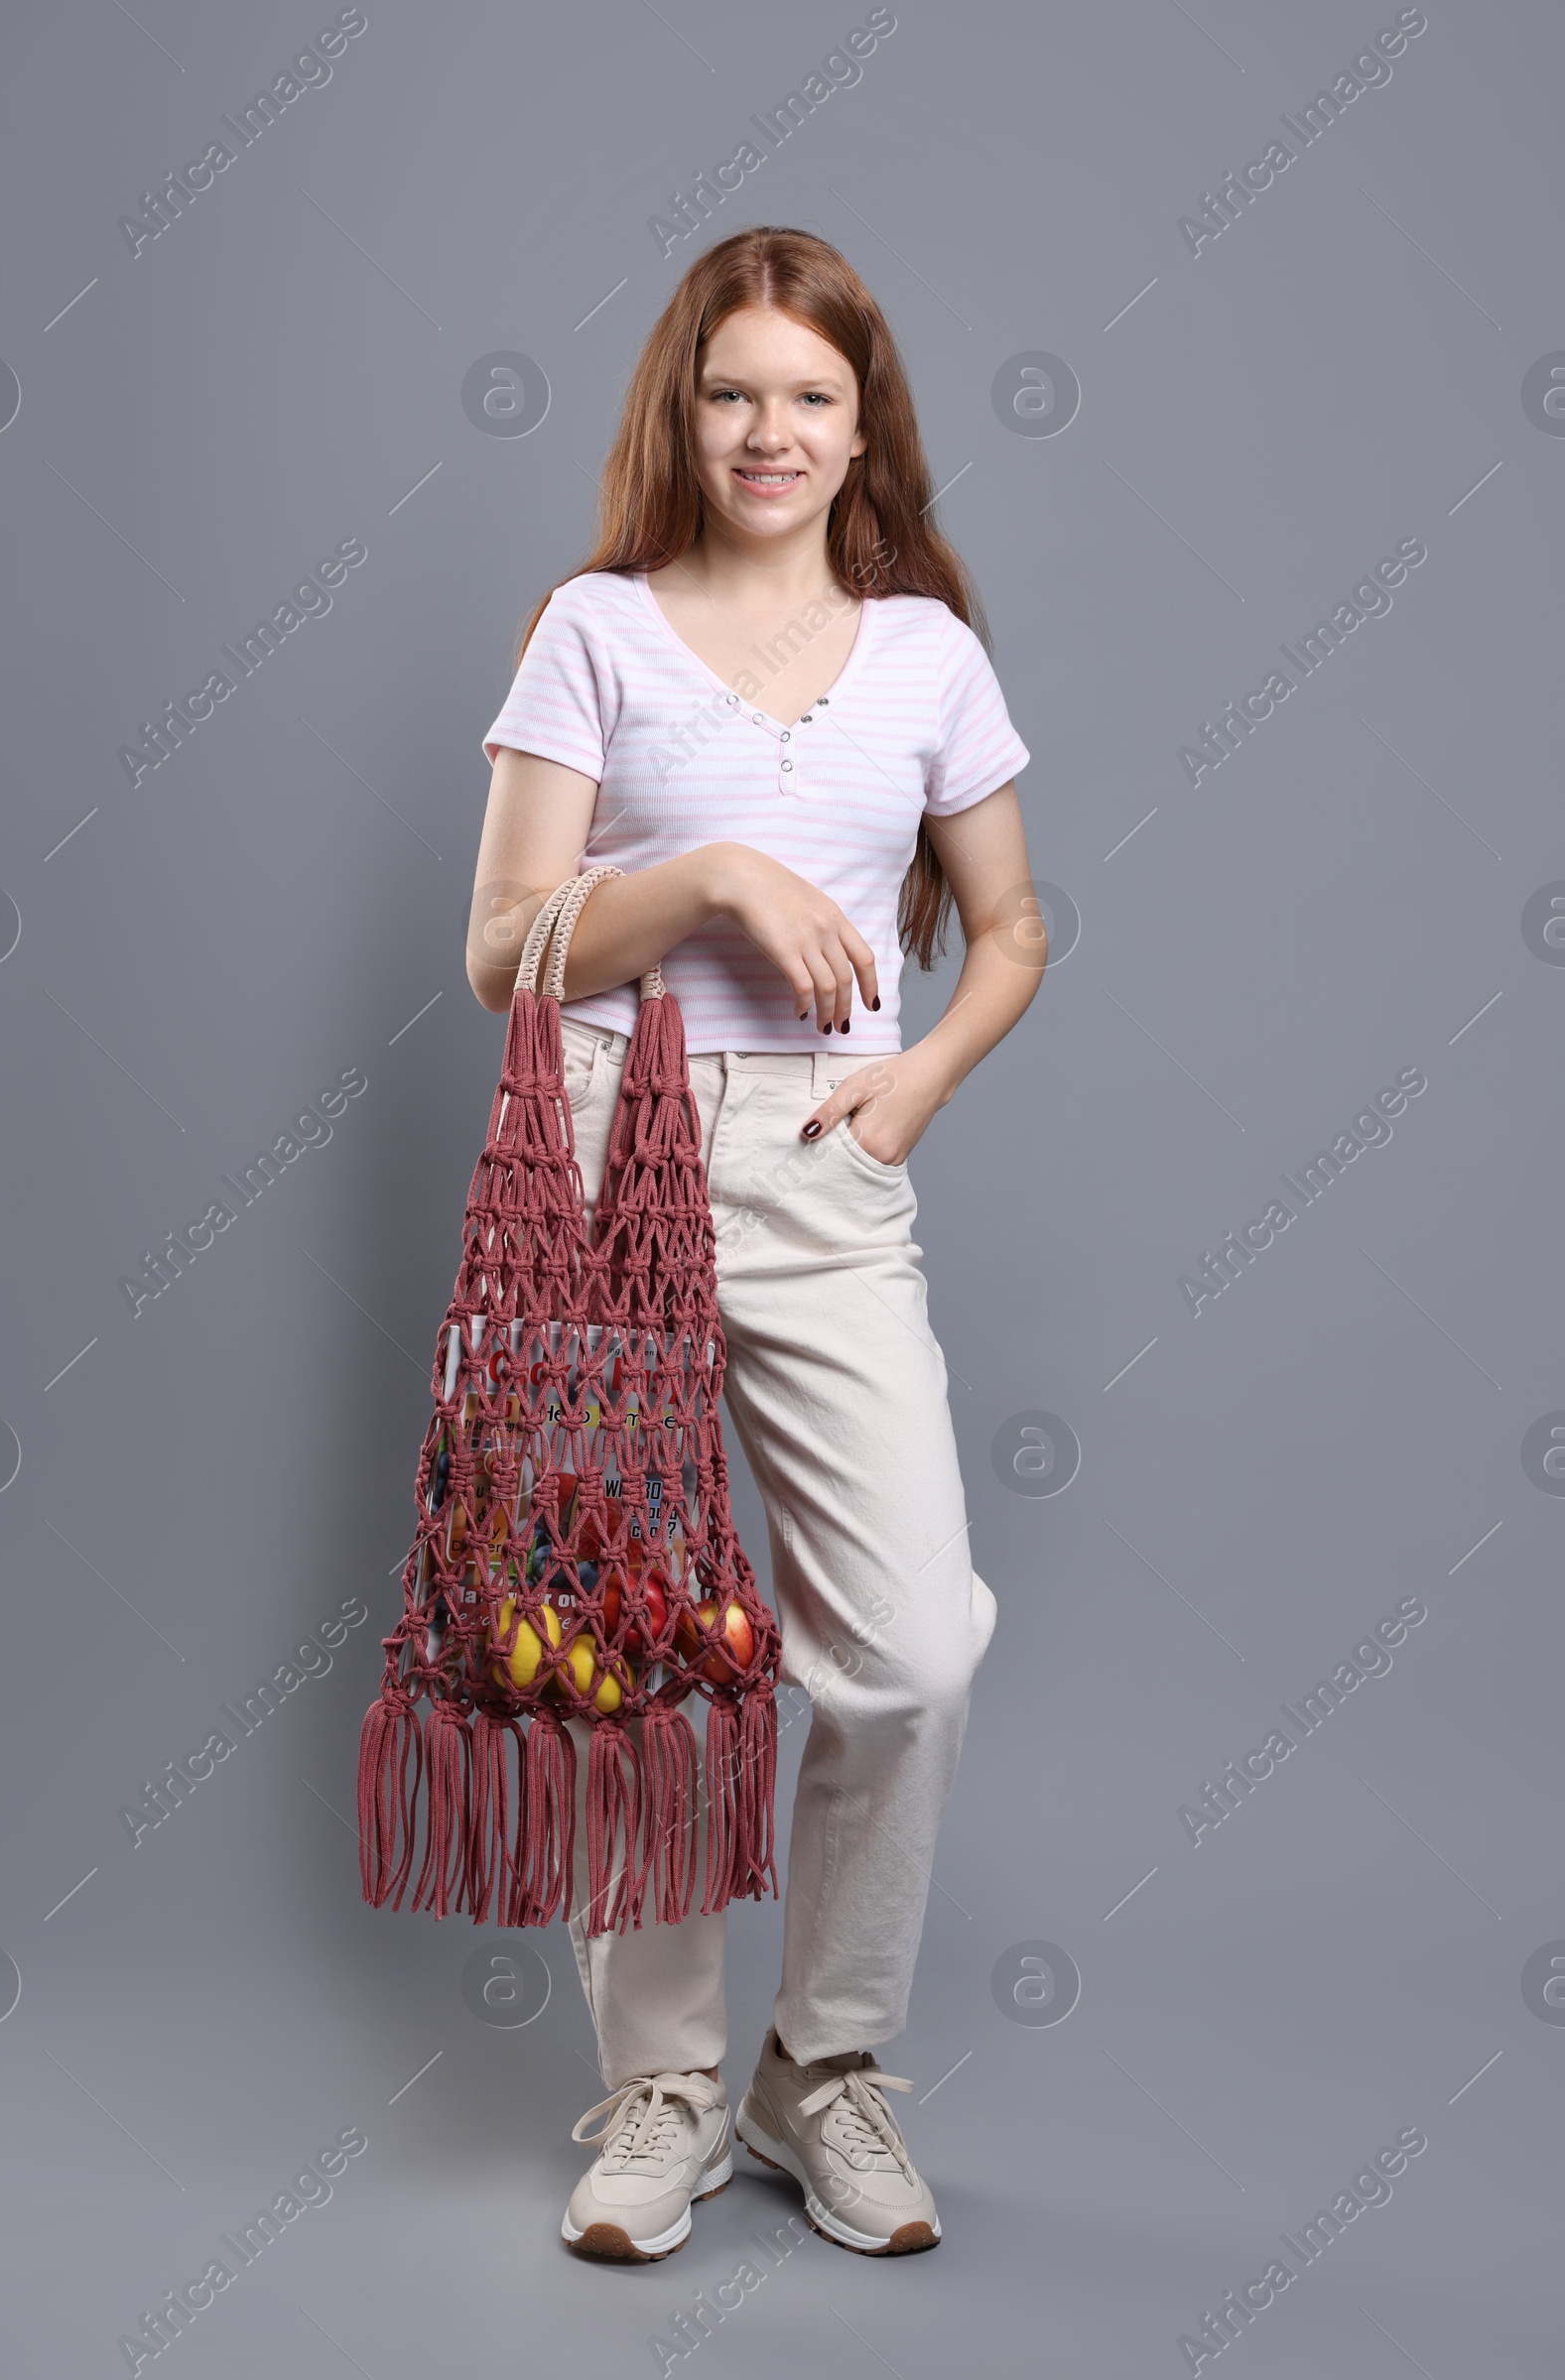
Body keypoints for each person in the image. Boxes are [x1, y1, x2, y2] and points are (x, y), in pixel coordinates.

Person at [466, 225, 1045, 2262]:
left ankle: (825, 2066)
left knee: (901, 1652)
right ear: (679, 410)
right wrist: (700, 875)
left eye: (810, 394)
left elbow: (1013, 927)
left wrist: (917, 1082)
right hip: (608, 1163)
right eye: (733, 393)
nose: (769, 431)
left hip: (820, 1172)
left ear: (860, 414)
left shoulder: (924, 654)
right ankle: (660, 2090)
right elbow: (498, 952)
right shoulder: (595, 630)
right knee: (622, 1643)